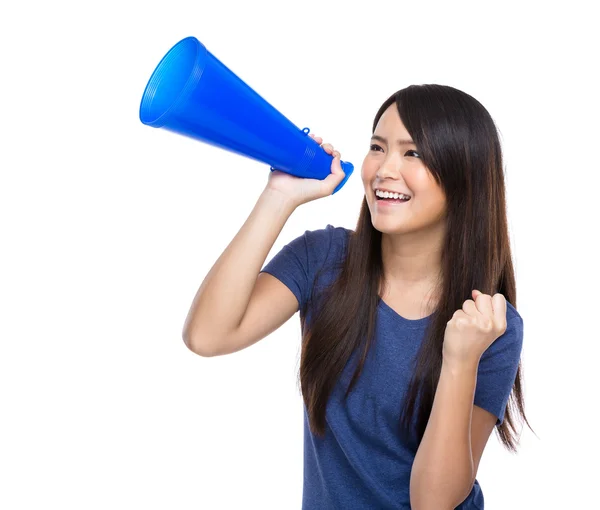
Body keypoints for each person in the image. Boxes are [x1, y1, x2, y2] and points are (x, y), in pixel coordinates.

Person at [182, 84, 532, 509]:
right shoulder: (324, 259)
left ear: (465, 177)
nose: (384, 169)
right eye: (377, 147)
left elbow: (433, 502)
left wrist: (461, 360)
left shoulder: (489, 323)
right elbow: (207, 335)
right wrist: (279, 196)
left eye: (413, 153)